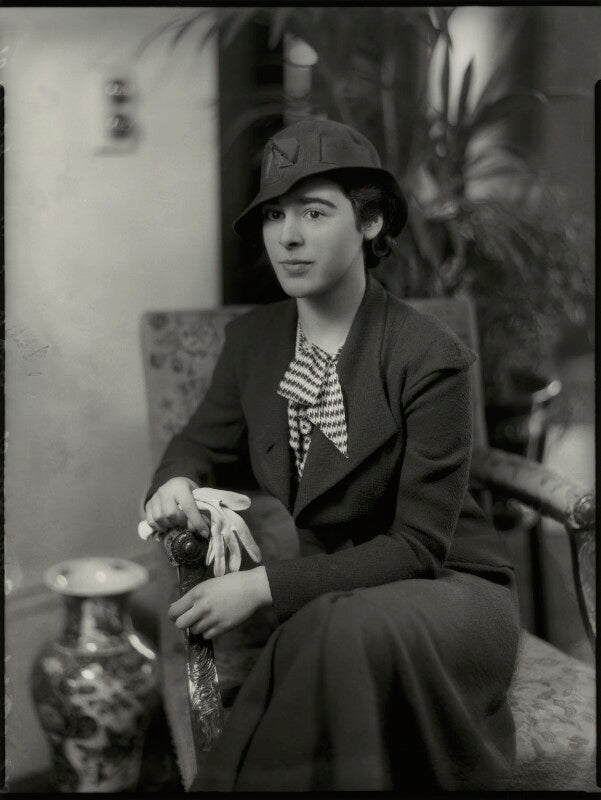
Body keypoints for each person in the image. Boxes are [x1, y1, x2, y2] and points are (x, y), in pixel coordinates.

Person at [143, 117, 520, 792]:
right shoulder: (253, 342)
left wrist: (260, 586)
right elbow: (198, 443)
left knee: (339, 633)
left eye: (314, 213)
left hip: (447, 591)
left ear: (369, 222)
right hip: (330, 600)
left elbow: (417, 547)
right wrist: (174, 481)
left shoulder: (429, 356)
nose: (287, 236)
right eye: (274, 215)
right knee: (329, 630)